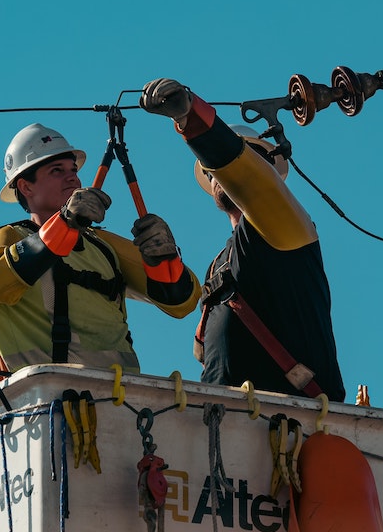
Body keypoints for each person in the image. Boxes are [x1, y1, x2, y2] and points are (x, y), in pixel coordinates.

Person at [138, 78, 345, 401]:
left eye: (220, 168)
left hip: (295, 419)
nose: (217, 175)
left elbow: (249, 181)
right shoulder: (219, 265)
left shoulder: (289, 227)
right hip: (224, 423)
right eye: (211, 172)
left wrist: (191, 115)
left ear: (271, 168)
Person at [0, 123, 201, 373]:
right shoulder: (10, 238)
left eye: (73, 169)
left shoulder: (102, 246)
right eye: (56, 170)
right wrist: (62, 225)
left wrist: (165, 258)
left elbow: (181, 302)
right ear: (25, 187)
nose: (72, 176)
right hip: (52, 396)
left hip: (123, 397)